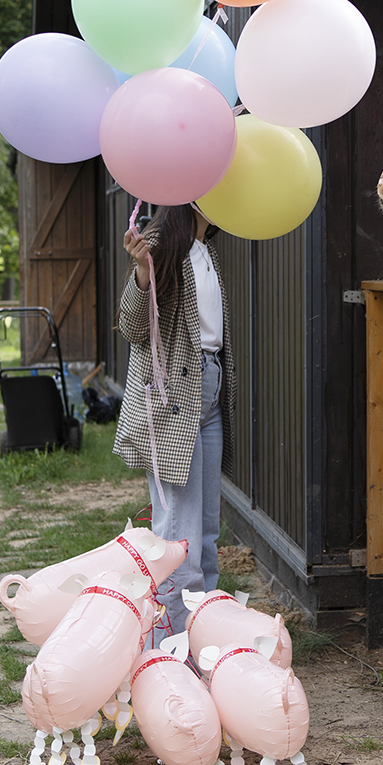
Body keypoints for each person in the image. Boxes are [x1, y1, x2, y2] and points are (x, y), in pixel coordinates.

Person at [113, 203, 236, 648]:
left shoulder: (205, 247)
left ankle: (200, 639)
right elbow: (131, 326)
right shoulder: (161, 242)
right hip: (172, 400)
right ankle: (167, 651)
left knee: (204, 532)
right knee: (178, 535)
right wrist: (141, 272)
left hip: (209, 389)